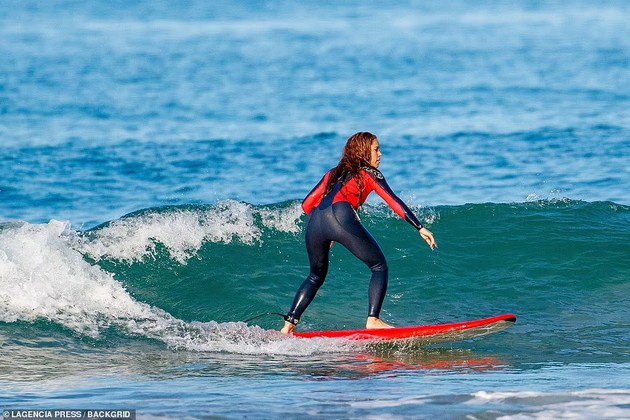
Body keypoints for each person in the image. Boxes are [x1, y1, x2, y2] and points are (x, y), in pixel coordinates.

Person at [281, 132, 438, 334]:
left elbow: (307, 205)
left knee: (315, 276)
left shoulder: (333, 173)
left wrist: (328, 228)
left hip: (316, 223)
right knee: (379, 266)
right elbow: (393, 201)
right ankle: (373, 319)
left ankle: (288, 326)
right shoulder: (370, 173)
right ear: (364, 151)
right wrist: (420, 227)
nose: (380, 154)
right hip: (341, 214)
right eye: (376, 149)